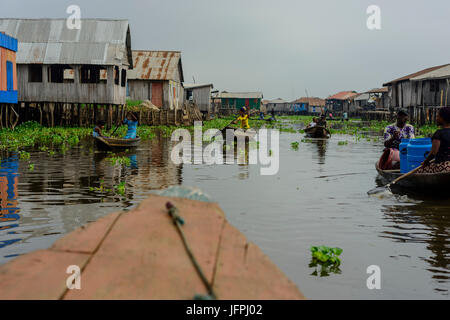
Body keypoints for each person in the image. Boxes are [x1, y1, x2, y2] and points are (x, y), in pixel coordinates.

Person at [417, 107, 450, 173]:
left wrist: (425, 162)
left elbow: (433, 152)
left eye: (438, 116)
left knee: (420, 171)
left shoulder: (439, 133)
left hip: (444, 166)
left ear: (443, 118)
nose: (436, 118)